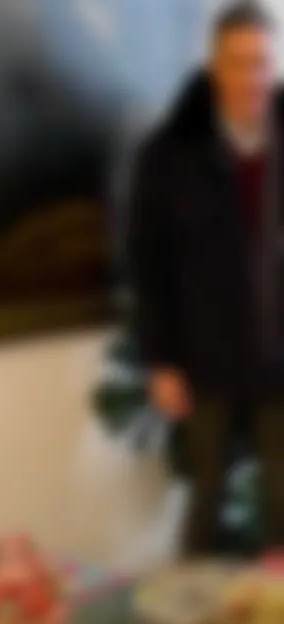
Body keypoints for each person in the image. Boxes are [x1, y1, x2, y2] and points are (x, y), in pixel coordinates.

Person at [129, 1, 284, 554]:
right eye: (240, 63)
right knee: (205, 504)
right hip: (206, 359)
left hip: (280, 360)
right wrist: (162, 361)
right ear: (216, 67)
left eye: (262, 63)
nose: (253, 78)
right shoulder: (169, 156)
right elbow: (149, 265)